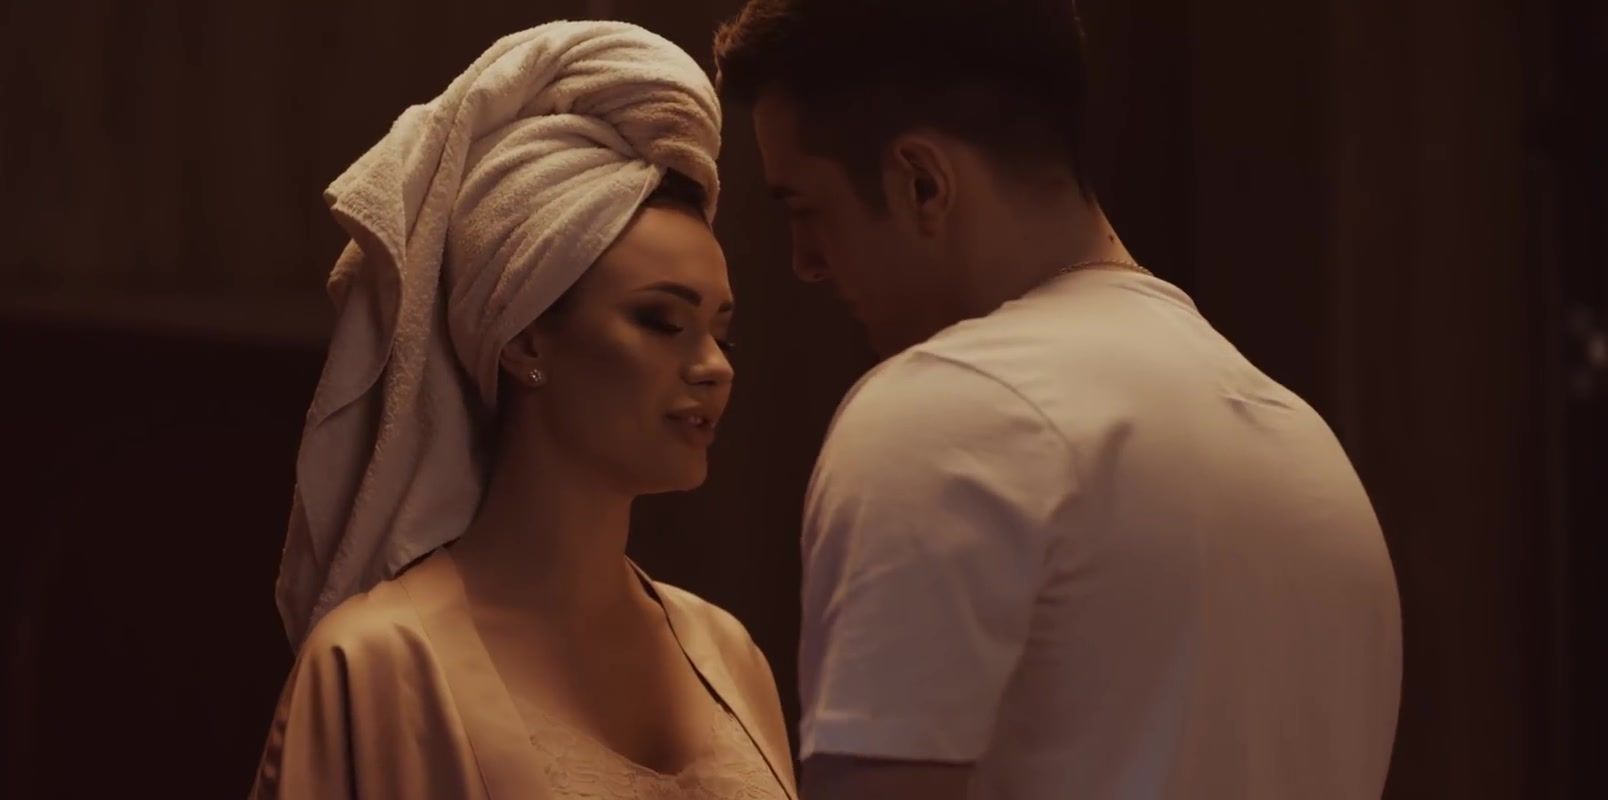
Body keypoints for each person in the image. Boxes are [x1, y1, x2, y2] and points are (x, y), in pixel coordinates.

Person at [713, 1, 1403, 798]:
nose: (805, 262)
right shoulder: (1306, 450)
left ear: (922, 183)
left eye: (807, 209)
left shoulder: (949, 413)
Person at [251, 21, 794, 800]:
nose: (713, 367)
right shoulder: (377, 665)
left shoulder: (731, 657)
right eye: (662, 321)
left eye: (721, 332)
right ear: (526, 335)